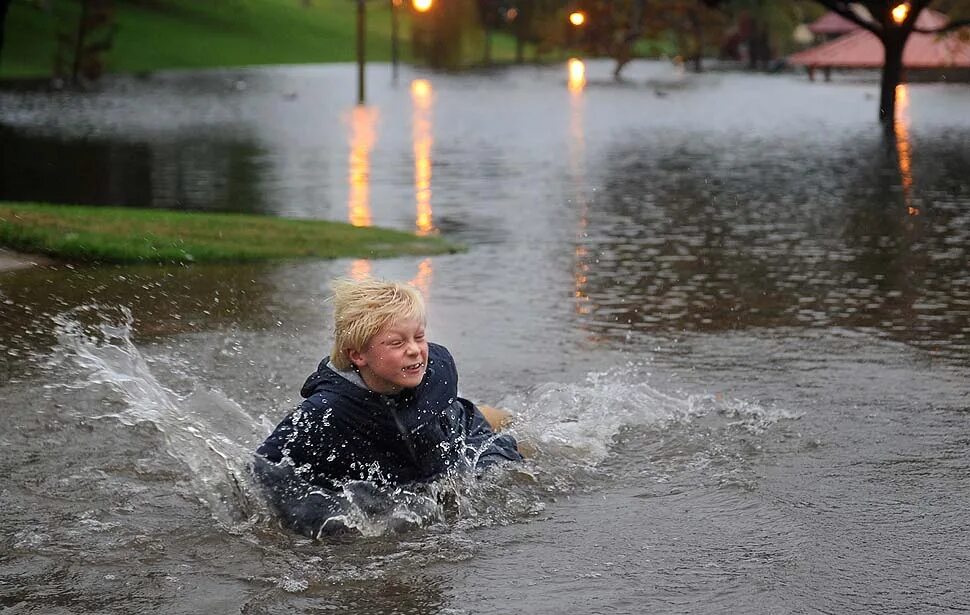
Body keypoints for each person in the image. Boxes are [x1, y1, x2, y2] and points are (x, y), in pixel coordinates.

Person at [253, 277, 522, 537]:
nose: (415, 350)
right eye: (397, 342)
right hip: (384, 469)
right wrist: (335, 520)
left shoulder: (436, 371)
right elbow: (264, 471)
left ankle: (503, 417)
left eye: (419, 337)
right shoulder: (324, 412)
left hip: (464, 423)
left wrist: (483, 472)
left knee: (514, 440)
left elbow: (468, 429)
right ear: (358, 354)